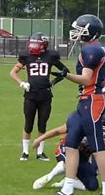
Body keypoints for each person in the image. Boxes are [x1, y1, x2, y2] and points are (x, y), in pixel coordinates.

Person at [44, 14, 105, 195]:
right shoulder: (95, 48)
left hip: (92, 100)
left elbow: (86, 79)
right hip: (86, 100)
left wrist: (66, 75)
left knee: (98, 147)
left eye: (80, 29)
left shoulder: (90, 50)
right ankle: (67, 190)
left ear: (90, 31)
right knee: (71, 144)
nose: (76, 33)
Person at [10, 32, 69, 161]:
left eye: (36, 44)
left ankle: (40, 152)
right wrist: (22, 83)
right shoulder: (26, 56)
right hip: (30, 95)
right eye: (32, 43)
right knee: (28, 124)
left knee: (42, 124)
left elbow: (64, 72)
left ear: (44, 44)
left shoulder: (51, 56)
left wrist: (53, 83)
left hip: (45, 95)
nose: (33, 46)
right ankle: (25, 152)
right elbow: (13, 72)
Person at [32, 108, 105, 191]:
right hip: (67, 149)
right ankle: (53, 174)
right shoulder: (81, 123)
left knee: (92, 186)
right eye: (103, 129)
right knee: (69, 161)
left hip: (83, 156)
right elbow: (58, 131)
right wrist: (39, 139)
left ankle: (65, 183)